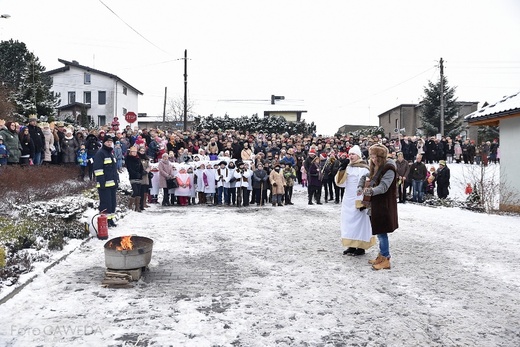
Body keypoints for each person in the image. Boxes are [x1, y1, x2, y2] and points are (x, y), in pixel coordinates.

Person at [362, 144, 398, 270]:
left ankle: (386, 258)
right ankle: (381, 256)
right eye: (371, 156)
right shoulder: (377, 166)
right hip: (376, 204)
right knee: (379, 231)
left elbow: (383, 187)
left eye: (374, 156)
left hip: (384, 204)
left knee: (382, 232)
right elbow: (368, 176)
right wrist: (363, 184)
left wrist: (369, 191)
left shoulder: (389, 168)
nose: (372, 159)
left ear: (380, 156)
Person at [340, 145, 374, 256]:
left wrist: (364, 201)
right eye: (349, 154)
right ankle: (351, 245)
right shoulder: (348, 167)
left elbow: (366, 184)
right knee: (348, 222)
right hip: (348, 199)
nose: (351, 156)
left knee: (360, 223)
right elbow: (340, 183)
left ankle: (360, 247)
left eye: (353, 154)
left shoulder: (363, 168)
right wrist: (342, 169)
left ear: (358, 155)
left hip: (359, 199)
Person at [93, 134, 119, 227]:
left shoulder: (111, 154)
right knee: (105, 204)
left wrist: (117, 181)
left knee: (112, 203)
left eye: (111, 142)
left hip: (112, 183)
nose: (109, 143)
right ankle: (105, 221)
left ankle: (111, 219)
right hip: (104, 184)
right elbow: (98, 169)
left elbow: (114, 170)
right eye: (108, 142)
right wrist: (102, 182)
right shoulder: (100, 153)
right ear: (104, 142)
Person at [125, 146, 144, 211]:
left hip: (139, 177)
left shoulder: (138, 158)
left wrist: (141, 173)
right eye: (133, 152)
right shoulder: (128, 158)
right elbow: (129, 168)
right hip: (133, 176)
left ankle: (137, 207)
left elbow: (141, 167)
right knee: (135, 191)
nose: (134, 153)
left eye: (135, 152)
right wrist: (135, 173)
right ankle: (130, 205)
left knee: (139, 192)